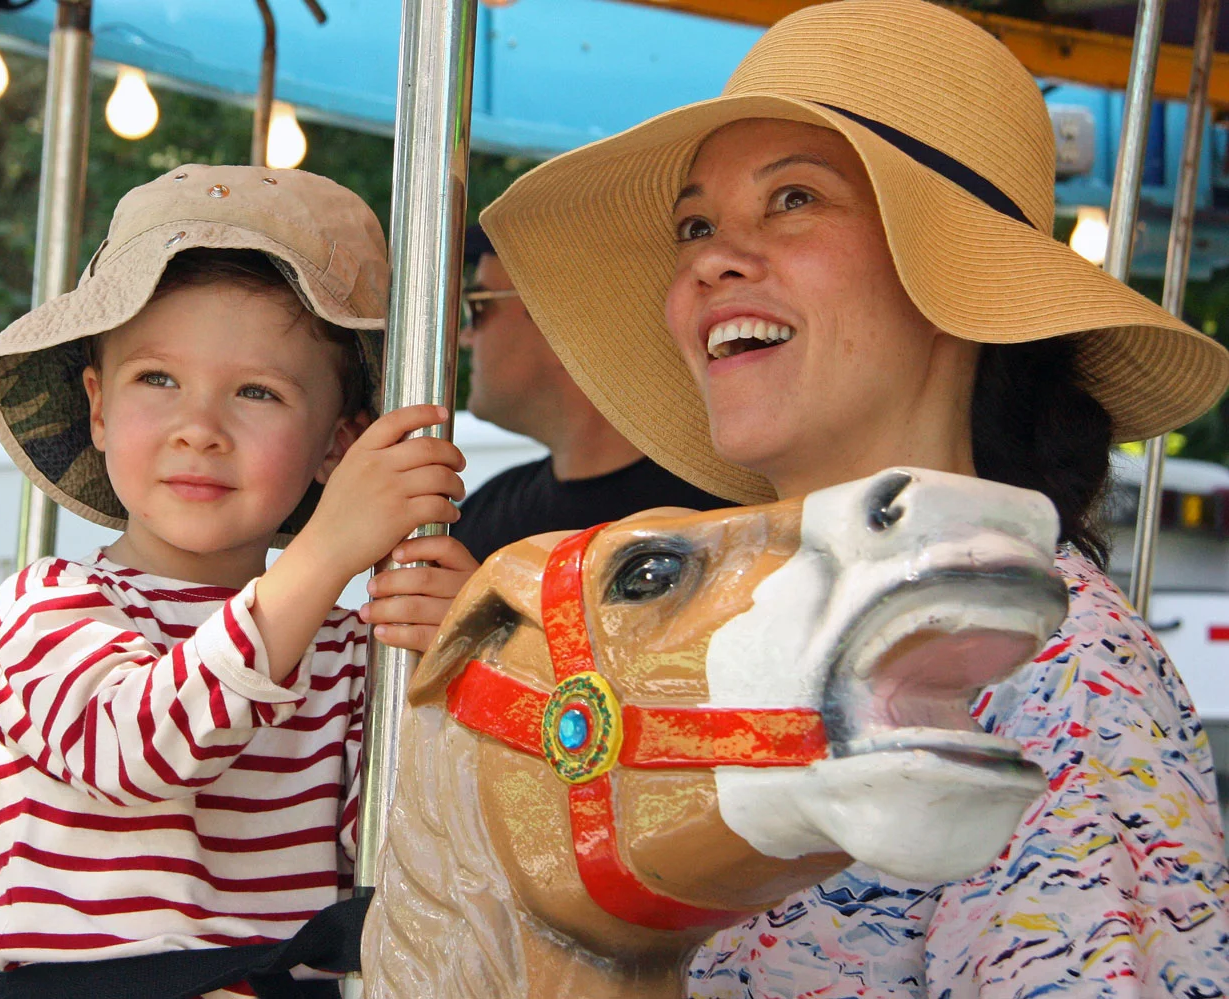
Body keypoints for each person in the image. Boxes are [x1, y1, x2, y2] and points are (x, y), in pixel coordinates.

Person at [480, 1, 1229, 995]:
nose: (710, 257)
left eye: (793, 200)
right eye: (695, 225)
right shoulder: (709, 645)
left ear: (959, 280)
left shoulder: (1050, 656)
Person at [0, 166, 473, 998]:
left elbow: (410, 846)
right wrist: (322, 557)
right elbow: (137, 747)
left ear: (338, 442)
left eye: (257, 392)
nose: (199, 429)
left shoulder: (352, 650)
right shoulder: (45, 605)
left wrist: (467, 659)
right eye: (157, 379)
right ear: (97, 406)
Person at [449, 223, 725, 564]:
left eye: (477, 307)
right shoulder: (488, 509)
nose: (465, 337)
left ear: (561, 323)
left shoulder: (715, 518)